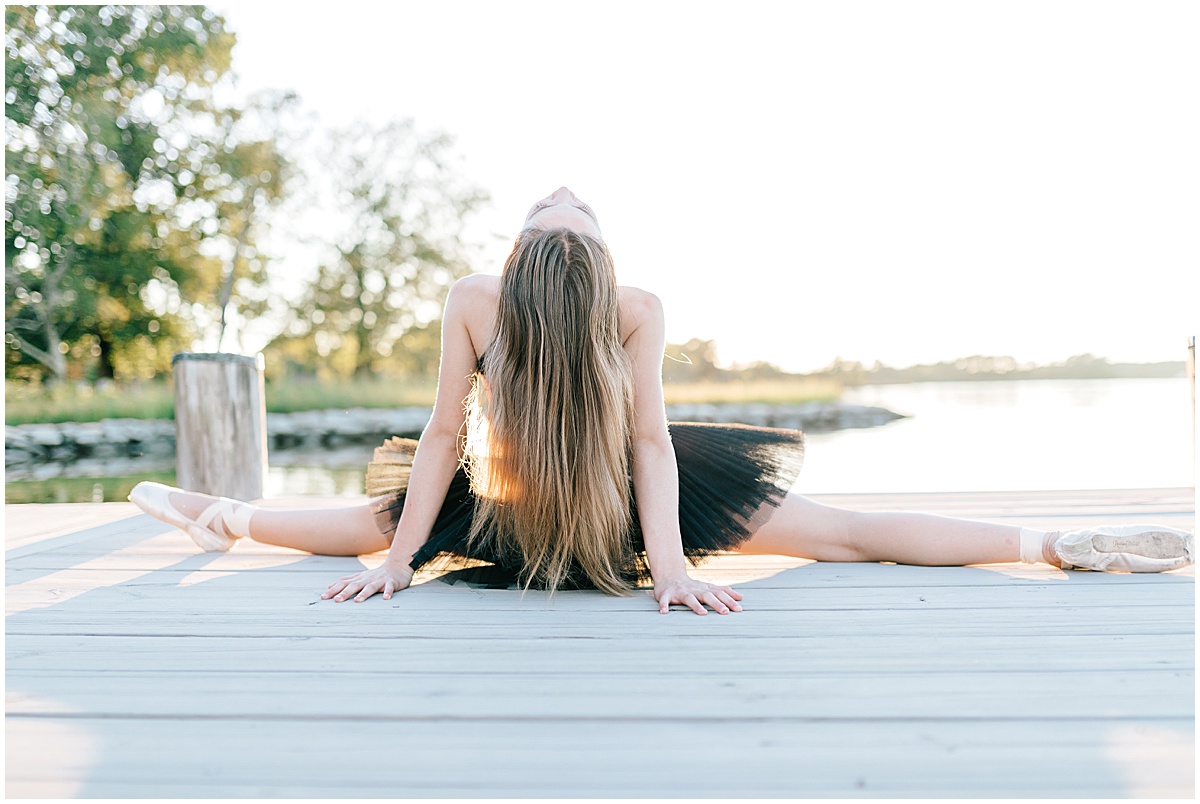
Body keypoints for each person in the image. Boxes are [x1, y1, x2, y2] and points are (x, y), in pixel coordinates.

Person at [128, 187, 1195, 616]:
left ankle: (214, 514)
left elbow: (454, 434)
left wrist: (401, 559)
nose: (564, 196)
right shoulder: (627, 302)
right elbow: (644, 438)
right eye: (570, 206)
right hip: (596, 501)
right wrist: (672, 561)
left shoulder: (480, 298)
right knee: (848, 535)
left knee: (375, 520)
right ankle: (1053, 539)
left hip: (543, 503)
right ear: (581, 261)